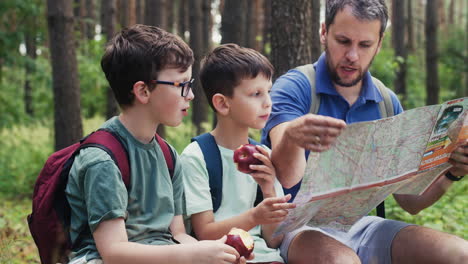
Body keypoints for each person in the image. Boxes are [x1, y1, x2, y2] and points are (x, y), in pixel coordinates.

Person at [261, 1, 468, 263]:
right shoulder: (294, 88)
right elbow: (288, 177)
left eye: (365, 45)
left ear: (379, 43)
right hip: (296, 229)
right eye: (343, 41)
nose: (352, 56)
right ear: (324, 32)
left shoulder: (385, 102)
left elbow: (410, 202)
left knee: (460, 254)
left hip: (364, 226)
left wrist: (452, 172)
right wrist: (292, 137)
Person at [65, 25, 247, 264]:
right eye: (181, 85)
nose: (190, 95)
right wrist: (191, 255)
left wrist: (214, 253)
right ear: (143, 91)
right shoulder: (103, 160)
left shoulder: (168, 155)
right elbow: (114, 251)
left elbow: (178, 234)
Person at [181, 44, 296, 264]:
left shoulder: (264, 155)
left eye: (268, 92)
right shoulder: (197, 157)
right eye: (256, 94)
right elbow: (204, 233)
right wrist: (255, 216)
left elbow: (273, 240)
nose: (267, 102)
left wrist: (269, 188)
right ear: (223, 104)